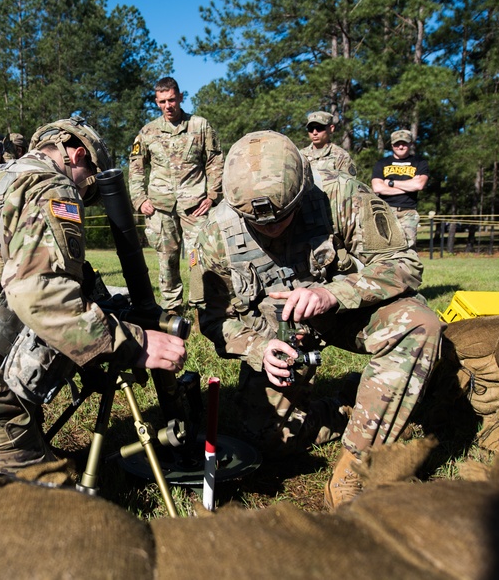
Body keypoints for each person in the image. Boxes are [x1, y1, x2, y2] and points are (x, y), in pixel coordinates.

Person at [0, 117, 186, 483]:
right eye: (88, 188)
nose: (83, 197)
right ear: (78, 155)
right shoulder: (53, 188)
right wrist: (131, 341)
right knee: (50, 518)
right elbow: (39, 295)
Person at [189, 131, 441, 508]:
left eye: (283, 217)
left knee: (418, 323)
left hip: (345, 313)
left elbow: (403, 265)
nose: (272, 227)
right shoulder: (214, 233)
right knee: (268, 441)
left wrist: (331, 294)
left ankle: (358, 464)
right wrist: (260, 348)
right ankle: (349, 406)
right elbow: (213, 318)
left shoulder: (339, 195)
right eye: (259, 224)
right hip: (279, 335)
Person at [128, 76, 222, 314]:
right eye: (162, 101)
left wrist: (212, 194)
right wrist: (139, 200)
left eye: (171, 100)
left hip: (195, 205)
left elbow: (214, 160)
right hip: (160, 207)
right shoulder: (147, 132)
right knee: (166, 259)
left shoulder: (200, 126)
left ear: (181, 97)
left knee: (198, 257)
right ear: (156, 102)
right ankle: (171, 308)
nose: (167, 106)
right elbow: (136, 167)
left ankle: (202, 305)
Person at [371, 129, 429, 247]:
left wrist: (390, 183)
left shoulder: (419, 162)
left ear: (410, 144)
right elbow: (377, 188)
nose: (401, 146)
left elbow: (419, 185)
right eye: (397, 144)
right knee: (385, 246)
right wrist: (409, 185)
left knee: (408, 248)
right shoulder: (382, 163)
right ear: (392, 145)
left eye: (404, 143)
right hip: (385, 211)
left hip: (408, 211)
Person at [299, 110, 357, 176]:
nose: (314, 133)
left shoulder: (341, 156)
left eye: (319, 128)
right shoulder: (301, 155)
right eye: (310, 129)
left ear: (331, 128)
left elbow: (348, 183)